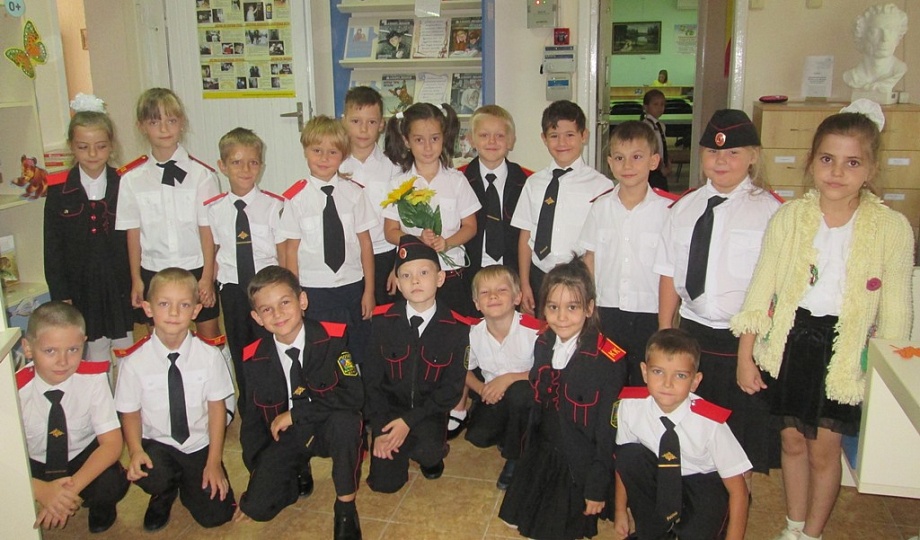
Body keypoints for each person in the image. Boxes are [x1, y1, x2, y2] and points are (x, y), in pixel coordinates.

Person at [730, 104, 914, 540]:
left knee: (824, 450)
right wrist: (745, 355)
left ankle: (812, 533)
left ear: (871, 170)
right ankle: (793, 524)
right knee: (792, 441)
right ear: (811, 162)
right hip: (791, 341)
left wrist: (885, 373)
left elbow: (897, 310)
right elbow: (761, 289)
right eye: (828, 159)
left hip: (845, 349)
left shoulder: (892, 228)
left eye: (852, 162)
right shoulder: (790, 218)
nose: (837, 172)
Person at [655, 109, 782, 483]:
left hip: (743, 339)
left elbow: (770, 290)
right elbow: (669, 273)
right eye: (712, 152)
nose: (721, 161)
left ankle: (735, 506)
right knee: (693, 434)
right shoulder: (684, 207)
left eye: (733, 153)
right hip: (693, 334)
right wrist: (665, 333)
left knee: (739, 444)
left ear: (753, 156)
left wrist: (748, 356)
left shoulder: (771, 211)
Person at [499, 256, 627, 540]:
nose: (561, 317)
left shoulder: (608, 361)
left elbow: (607, 433)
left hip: (578, 460)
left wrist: (595, 486)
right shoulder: (544, 342)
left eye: (572, 307)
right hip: (544, 445)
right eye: (553, 307)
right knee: (521, 517)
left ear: (589, 308)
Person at [235, 266, 363, 538]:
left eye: (285, 302)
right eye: (267, 309)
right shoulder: (253, 358)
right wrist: (257, 471)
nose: (278, 313)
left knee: (347, 421)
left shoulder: (333, 339)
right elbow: (252, 422)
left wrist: (297, 414)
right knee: (257, 508)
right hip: (287, 436)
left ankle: (345, 507)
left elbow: (353, 395)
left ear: (302, 300)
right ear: (257, 317)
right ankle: (297, 472)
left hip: (326, 425)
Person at [114, 268, 235, 531]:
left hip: (198, 444)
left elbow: (217, 409)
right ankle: (163, 492)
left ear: (196, 310)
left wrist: (213, 462)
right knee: (151, 473)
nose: (173, 312)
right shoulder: (133, 362)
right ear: (148, 308)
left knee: (217, 515)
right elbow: (130, 412)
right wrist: (135, 450)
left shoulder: (210, 356)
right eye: (164, 304)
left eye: (184, 305)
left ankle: (190, 483)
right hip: (157, 445)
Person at [614, 328, 751, 540]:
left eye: (680, 375)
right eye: (658, 372)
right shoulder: (630, 406)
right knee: (629, 455)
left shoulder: (710, 423)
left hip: (703, 486)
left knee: (695, 529)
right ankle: (655, 530)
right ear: (644, 372)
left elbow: (739, 491)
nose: (667, 383)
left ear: (695, 381)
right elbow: (623, 466)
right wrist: (620, 510)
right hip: (661, 481)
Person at [364, 235, 471, 493]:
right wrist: (380, 429)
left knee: (429, 452)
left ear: (440, 278)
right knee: (385, 485)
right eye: (406, 275)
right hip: (389, 411)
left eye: (424, 272)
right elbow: (372, 382)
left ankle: (426, 448)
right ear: (398, 283)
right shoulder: (381, 323)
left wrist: (408, 422)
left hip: (428, 411)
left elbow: (451, 389)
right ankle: (400, 445)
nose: (415, 281)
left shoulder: (456, 328)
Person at [115, 88, 222, 341]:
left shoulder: (202, 175)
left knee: (209, 335)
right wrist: (136, 279)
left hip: (195, 266)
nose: (164, 129)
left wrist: (207, 277)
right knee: (161, 337)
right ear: (141, 126)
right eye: (155, 122)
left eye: (171, 120)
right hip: (154, 269)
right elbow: (133, 234)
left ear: (182, 123)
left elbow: (207, 230)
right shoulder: (131, 179)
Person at [17, 302, 129, 533]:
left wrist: (67, 491)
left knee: (112, 482)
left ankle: (99, 504)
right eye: (50, 351)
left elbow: (112, 444)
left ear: (84, 344)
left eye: (73, 349)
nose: (63, 361)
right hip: (34, 465)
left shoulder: (94, 380)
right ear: (28, 348)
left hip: (80, 457)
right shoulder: (13, 390)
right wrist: (40, 490)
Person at [579, 121, 675, 386]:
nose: (627, 165)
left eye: (637, 157)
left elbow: (671, 269)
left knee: (646, 380)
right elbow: (590, 259)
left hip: (650, 313)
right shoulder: (600, 207)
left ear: (654, 161)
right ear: (610, 163)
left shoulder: (668, 211)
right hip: (607, 312)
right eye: (619, 158)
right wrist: (588, 306)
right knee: (608, 378)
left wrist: (666, 323)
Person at [43, 93, 133, 367]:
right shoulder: (58, 190)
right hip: (82, 287)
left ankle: (128, 394)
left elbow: (136, 238)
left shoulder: (125, 183)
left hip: (119, 283)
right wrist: (61, 294)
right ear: (72, 146)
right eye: (83, 147)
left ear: (111, 146)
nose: (92, 154)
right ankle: (100, 393)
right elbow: (52, 247)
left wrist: (138, 282)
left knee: (126, 348)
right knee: (94, 350)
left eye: (100, 146)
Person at [279, 115, 377, 362]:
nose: (324, 158)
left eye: (332, 152)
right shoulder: (295, 198)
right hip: (313, 290)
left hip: (352, 287)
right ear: (305, 151)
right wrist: (295, 295)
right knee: (321, 352)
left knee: (357, 349)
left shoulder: (354, 194)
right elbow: (291, 251)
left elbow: (365, 244)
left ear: (343, 155)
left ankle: (356, 387)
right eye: (317, 150)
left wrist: (369, 291)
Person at [204, 127, 285, 416]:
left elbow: (282, 252)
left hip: (267, 291)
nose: (246, 169)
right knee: (240, 347)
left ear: (261, 165)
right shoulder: (214, 209)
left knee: (270, 346)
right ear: (222, 166)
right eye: (236, 162)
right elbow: (213, 251)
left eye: (253, 162)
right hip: (233, 290)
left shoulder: (274, 205)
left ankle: (275, 401)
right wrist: (207, 282)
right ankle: (249, 405)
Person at [511, 100, 611, 316]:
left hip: (579, 277)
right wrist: (525, 283)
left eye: (570, 135)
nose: (562, 142)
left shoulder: (601, 186)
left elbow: (602, 243)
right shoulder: (534, 183)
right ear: (544, 138)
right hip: (539, 274)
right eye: (554, 136)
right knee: (542, 330)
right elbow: (526, 235)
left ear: (584, 136)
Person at [382, 102, 481, 316]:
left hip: (451, 271)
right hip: (413, 275)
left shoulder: (456, 180)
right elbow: (390, 231)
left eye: (434, 139)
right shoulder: (398, 184)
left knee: (453, 325)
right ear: (407, 141)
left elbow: (470, 226)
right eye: (419, 140)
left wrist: (447, 243)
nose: (428, 147)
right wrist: (417, 241)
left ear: (443, 138)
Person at [464, 265, 539, 490]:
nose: (493, 296)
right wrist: (481, 389)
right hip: (494, 396)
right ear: (476, 303)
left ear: (517, 297)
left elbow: (547, 372)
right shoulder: (474, 334)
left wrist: (508, 379)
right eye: (485, 292)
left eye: (502, 290)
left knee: (519, 394)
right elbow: (463, 370)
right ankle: (511, 434)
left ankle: (515, 458)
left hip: (530, 396)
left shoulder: (533, 331)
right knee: (478, 436)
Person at [339, 86, 402, 306]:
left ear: (382, 124)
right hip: (348, 255)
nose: (364, 129)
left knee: (385, 316)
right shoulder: (335, 165)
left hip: (384, 253)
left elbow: (403, 220)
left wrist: (399, 263)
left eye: (372, 122)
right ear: (343, 121)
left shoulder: (393, 167)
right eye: (356, 121)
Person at [460, 105, 531, 285]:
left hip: (514, 275)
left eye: (500, 136)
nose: (492, 141)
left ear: (511, 141)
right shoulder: (458, 180)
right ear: (471, 140)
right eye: (484, 135)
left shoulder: (528, 181)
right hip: (468, 275)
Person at [842, 4, 908, 95]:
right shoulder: (852, 77)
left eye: (891, 31)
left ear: (898, 36)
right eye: (875, 32)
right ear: (861, 35)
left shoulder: (899, 70)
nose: (885, 38)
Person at [641, 89, 671, 192]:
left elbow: (663, 146)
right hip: (653, 168)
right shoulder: (645, 126)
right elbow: (651, 149)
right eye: (655, 104)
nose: (660, 108)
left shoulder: (661, 125)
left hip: (661, 166)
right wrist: (661, 167)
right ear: (646, 107)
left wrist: (667, 162)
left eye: (662, 104)